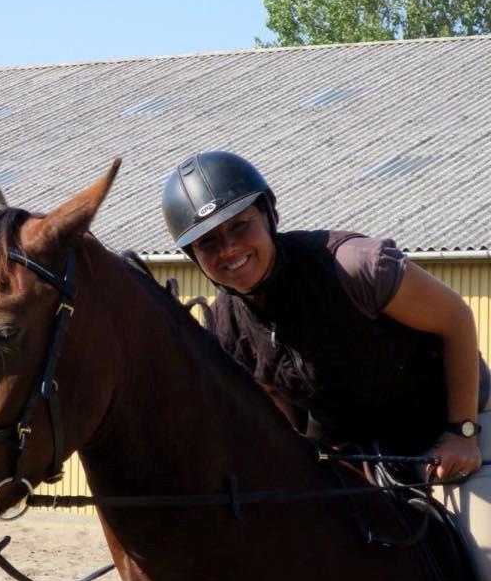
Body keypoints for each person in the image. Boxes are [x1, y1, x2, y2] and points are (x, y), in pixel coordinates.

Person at [161, 150, 491, 484]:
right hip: (353, 452)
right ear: (193, 256)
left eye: (240, 225)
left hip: (452, 427)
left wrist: (462, 432)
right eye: (208, 242)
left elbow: (457, 319)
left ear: (269, 214)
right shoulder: (224, 326)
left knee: (479, 531)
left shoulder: (356, 267)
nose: (228, 249)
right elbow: (275, 399)